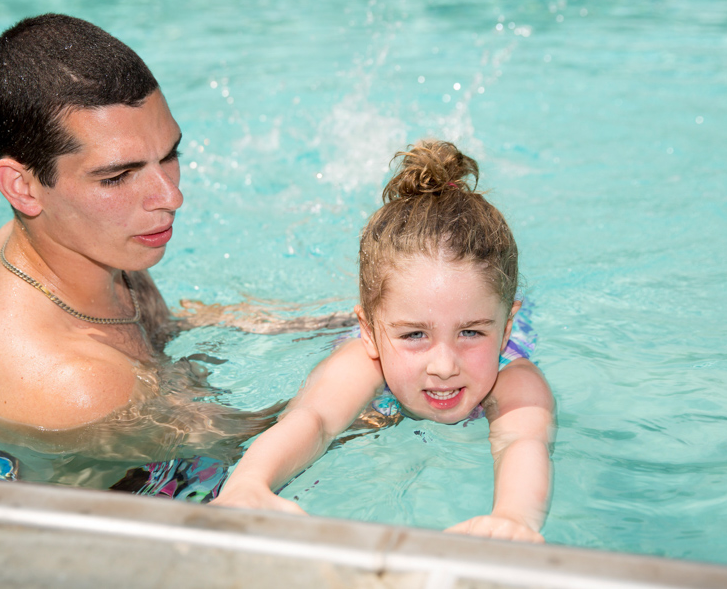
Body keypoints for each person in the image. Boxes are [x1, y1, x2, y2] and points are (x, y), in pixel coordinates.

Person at [0, 13, 351, 495]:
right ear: (22, 186)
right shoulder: (76, 384)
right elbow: (263, 442)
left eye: (169, 156)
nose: (169, 196)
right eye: (117, 177)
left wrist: (327, 324)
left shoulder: (78, 246)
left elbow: (165, 331)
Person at [212, 140, 555, 542]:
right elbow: (316, 420)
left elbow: (522, 440)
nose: (444, 365)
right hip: (368, 327)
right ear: (371, 333)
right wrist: (248, 483)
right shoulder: (364, 358)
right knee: (283, 323)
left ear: (506, 330)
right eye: (415, 335)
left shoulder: (513, 377)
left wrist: (514, 518)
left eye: (471, 332)